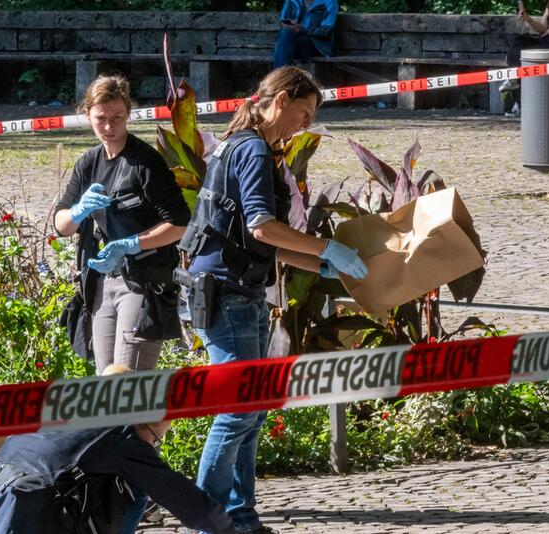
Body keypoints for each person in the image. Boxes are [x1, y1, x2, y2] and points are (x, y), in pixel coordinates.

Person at [177, 66, 368, 534]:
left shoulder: (240, 145)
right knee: (240, 408)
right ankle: (209, 519)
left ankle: (241, 517)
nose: (305, 123)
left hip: (232, 290)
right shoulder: (254, 150)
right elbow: (263, 225)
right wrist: (327, 248)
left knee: (252, 408)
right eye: (304, 111)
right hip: (228, 296)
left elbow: (256, 239)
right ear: (280, 100)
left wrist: (318, 265)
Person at [0, 365, 236, 534]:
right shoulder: (121, 434)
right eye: (154, 439)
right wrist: (227, 529)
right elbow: (184, 499)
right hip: (32, 515)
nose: (153, 448)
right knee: (136, 486)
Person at [54, 74, 190, 374]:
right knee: (107, 380)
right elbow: (61, 224)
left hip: (142, 280)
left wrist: (131, 244)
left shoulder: (146, 162)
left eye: (117, 117)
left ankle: (141, 423)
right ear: (87, 114)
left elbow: (180, 224)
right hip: (102, 280)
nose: (109, 127)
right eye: (100, 118)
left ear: (128, 114)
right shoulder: (89, 162)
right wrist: (77, 211)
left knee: (128, 381)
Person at [272, 0, 339, 68]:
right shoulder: (291, 1)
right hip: (292, 40)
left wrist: (303, 30)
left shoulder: (330, 1)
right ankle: (282, 75)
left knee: (284, 46)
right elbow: (283, 20)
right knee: (286, 35)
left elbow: (326, 29)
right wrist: (290, 25)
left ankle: (279, 75)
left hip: (316, 44)